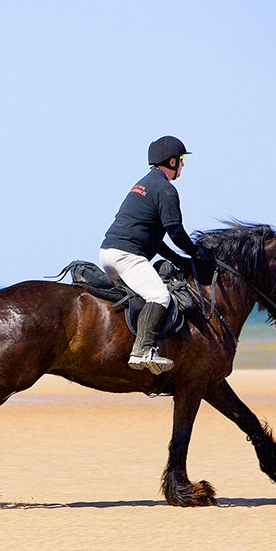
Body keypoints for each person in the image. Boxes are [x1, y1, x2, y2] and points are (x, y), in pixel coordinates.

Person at [99, 135, 211, 374]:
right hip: (126, 256)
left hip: (108, 252)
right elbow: (176, 231)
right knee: (159, 296)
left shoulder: (144, 184)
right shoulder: (166, 190)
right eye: (181, 160)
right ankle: (143, 349)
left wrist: (180, 260)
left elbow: (155, 239)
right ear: (171, 162)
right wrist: (197, 253)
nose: (183, 165)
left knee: (142, 293)